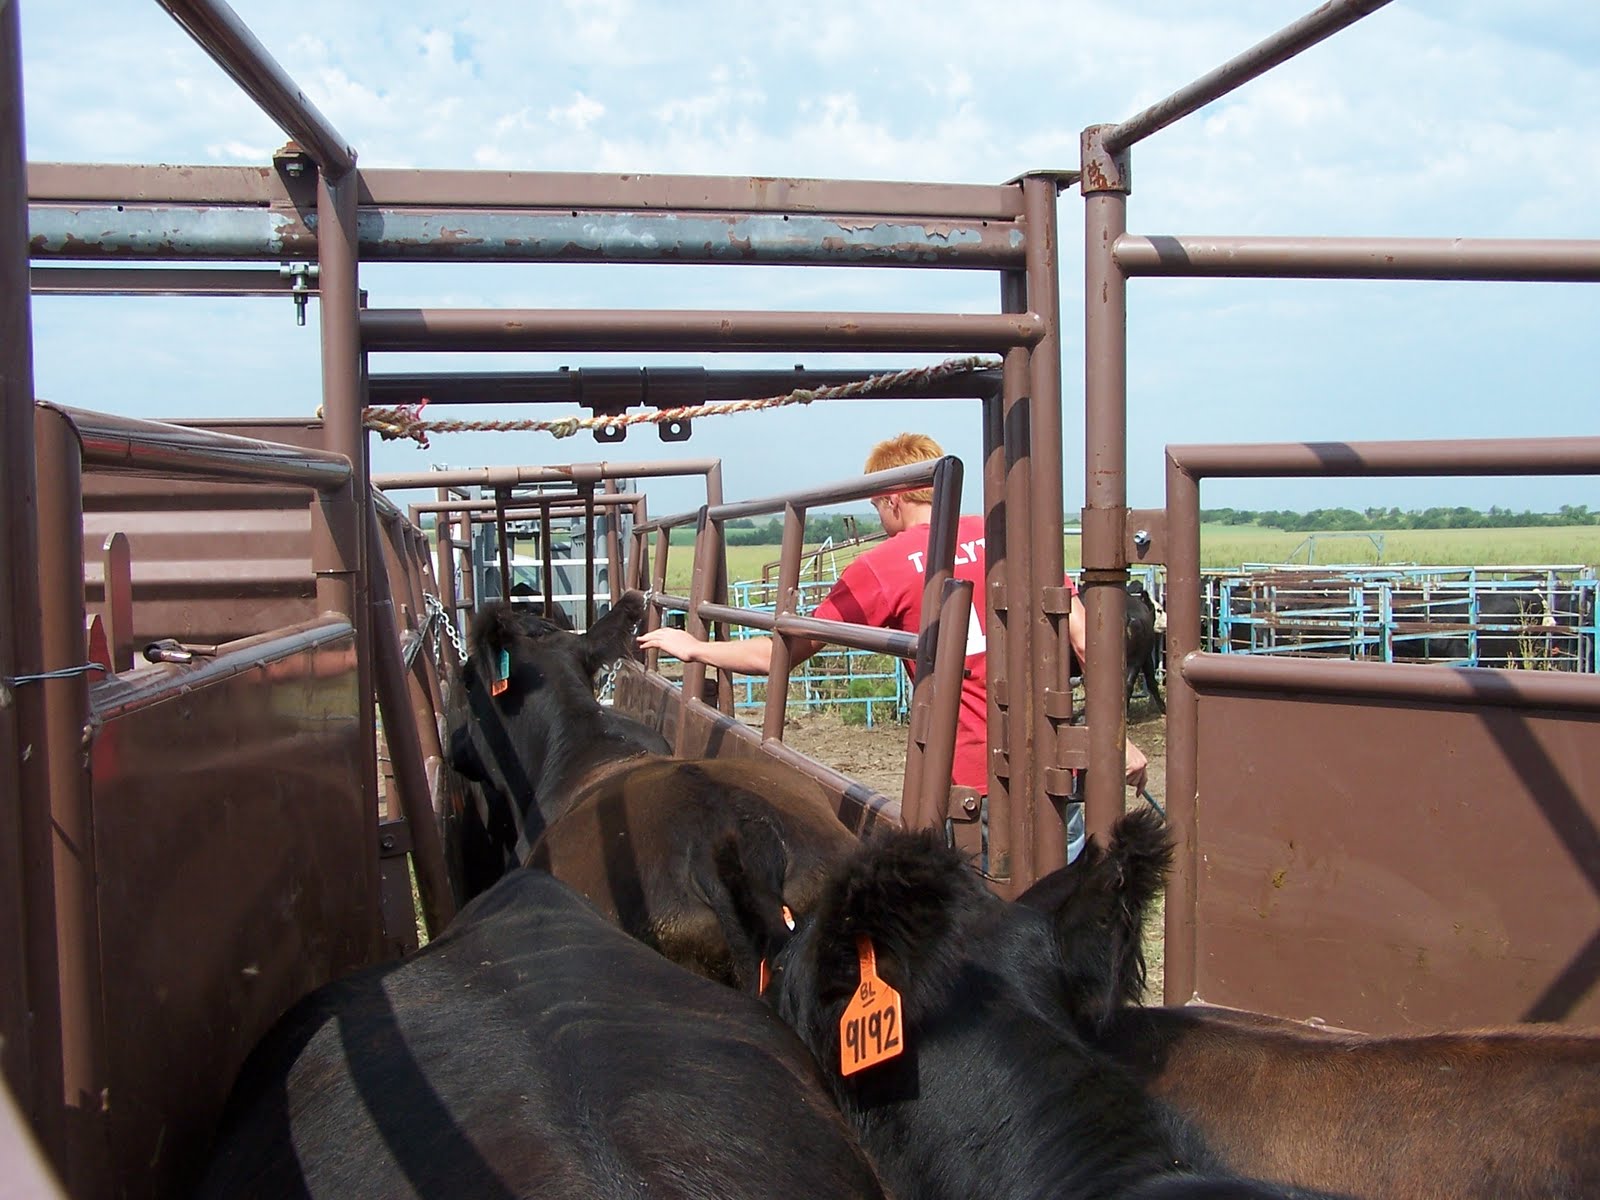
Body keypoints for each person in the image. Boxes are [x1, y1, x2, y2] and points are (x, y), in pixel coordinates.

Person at [636, 432, 1149, 863]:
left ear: (893, 498)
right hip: (1059, 761)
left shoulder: (883, 566)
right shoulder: (1013, 538)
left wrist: (695, 648)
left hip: (973, 779)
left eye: (877, 505)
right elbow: (1085, 638)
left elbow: (779, 655)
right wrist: (1112, 740)